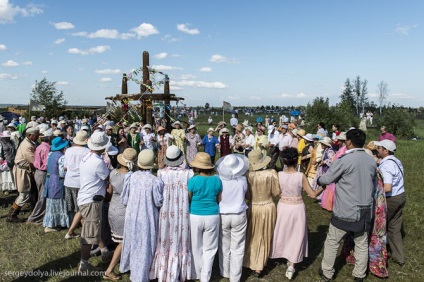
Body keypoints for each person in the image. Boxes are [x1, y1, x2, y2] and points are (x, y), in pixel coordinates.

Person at [317, 129, 377, 282]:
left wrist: (319, 180)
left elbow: (326, 179)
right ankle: (359, 274)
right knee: (361, 242)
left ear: (349, 142)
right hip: (366, 208)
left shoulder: (344, 160)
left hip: (346, 209)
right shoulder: (370, 160)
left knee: (332, 241)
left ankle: (327, 272)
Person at [270, 148, 324, 279]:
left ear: (283, 160)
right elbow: (312, 194)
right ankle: (291, 265)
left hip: (283, 206)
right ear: (296, 160)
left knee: (282, 231)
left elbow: (276, 193)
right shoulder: (300, 176)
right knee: (296, 234)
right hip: (297, 207)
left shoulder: (279, 175)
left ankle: (280, 253)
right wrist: (323, 187)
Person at [151, 146, 194, 281]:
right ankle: (180, 269)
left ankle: (164, 269)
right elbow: (190, 195)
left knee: (165, 234)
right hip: (182, 210)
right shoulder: (188, 173)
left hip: (166, 209)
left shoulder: (161, 173)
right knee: (181, 236)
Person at [120, 149, 164, 282]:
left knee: (132, 240)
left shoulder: (131, 177)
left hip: (132, 214)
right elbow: (158, 201)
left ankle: (130, 266)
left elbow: (124, 199)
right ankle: (142, 272)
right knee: (145, 244)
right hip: (147, 215)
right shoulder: (155, 181)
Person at [77, 131, 112, 272]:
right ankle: (84, 264)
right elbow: (108, 178)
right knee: (89, 234)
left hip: (85, 196)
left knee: (94, 227)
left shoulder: (87, 157)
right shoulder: (98, 162)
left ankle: (104, 251)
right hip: (92, 199)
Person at [243, 149, 280, 277]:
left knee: (251, 234)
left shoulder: (247, 175)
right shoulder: (271, 173)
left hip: (253, 206)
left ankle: (248, 260)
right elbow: (276, 192)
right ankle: (259, 266)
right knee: (264, 235)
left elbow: (247, 195)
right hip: (268, 207)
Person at [103, 148, 137, 281]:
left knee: (122, 240)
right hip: (124, 210)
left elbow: (110, 191)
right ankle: (110, 270)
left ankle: (126, 264)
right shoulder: (132, 177)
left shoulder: (113, 173)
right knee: (124, 241)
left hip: (113, 207)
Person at [188, 152, 223, 281]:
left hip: (195, 215)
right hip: (212, 215)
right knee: (210, 248)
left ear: (197, 167)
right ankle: (205, 277)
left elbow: (190, 197)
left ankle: (196, 273)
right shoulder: (217, 180)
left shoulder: (193, 180)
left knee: (196, 246)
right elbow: (219, 198)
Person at [216, 154, 249, 282]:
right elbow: (245, 193)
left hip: (223, 214)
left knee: (224, 244)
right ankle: (235, 276)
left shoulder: (219, 179)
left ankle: (225, 271)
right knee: (238, 246)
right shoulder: (243, 180)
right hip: (239, 213)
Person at [374, 139, 405, 266]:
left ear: (385, 151)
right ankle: (399, 257)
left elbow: (387, 188)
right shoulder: (395, 161)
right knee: (394, 229)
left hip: (390, 199)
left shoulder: (386, 165)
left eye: (380, 148)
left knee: (378, 228)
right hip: (401, 196)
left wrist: (373, 192)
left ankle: (378, 258)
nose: (377, 149)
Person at [8, 127, 39, 223]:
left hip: (23, 170)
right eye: (36, 135)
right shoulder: (27, 146)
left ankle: (13, 213)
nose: (38, 136)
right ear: (30, 135)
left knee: (25, 193)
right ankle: (12, 214)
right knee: (24, 193)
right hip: (22, 171)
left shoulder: (28, 143)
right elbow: (34, 161)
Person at [63, 131, 90, 239]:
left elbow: (65, 167)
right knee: (81, 208)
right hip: (80, 182)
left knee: (76, 208)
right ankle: (72, 231)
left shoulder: (68, 150)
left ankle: (84, 231)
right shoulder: (87, 152)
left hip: (69, 181)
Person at [27, 128, 53, 225]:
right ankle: (34, 218)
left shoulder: (39, 146)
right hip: (42, 172)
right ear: (49, 137)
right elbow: (47, 163)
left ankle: (38, 216)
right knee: (43, 197)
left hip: (38, 172)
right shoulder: (46, 148)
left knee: (41, 196)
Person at [43, 137, 69, 232]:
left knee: (51, 201)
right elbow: (62, 173)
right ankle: (56, 223)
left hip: (50, 179)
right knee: (58, 200)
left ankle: (51, 223)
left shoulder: (50, 154)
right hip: (57, 180)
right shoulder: (61, 157)